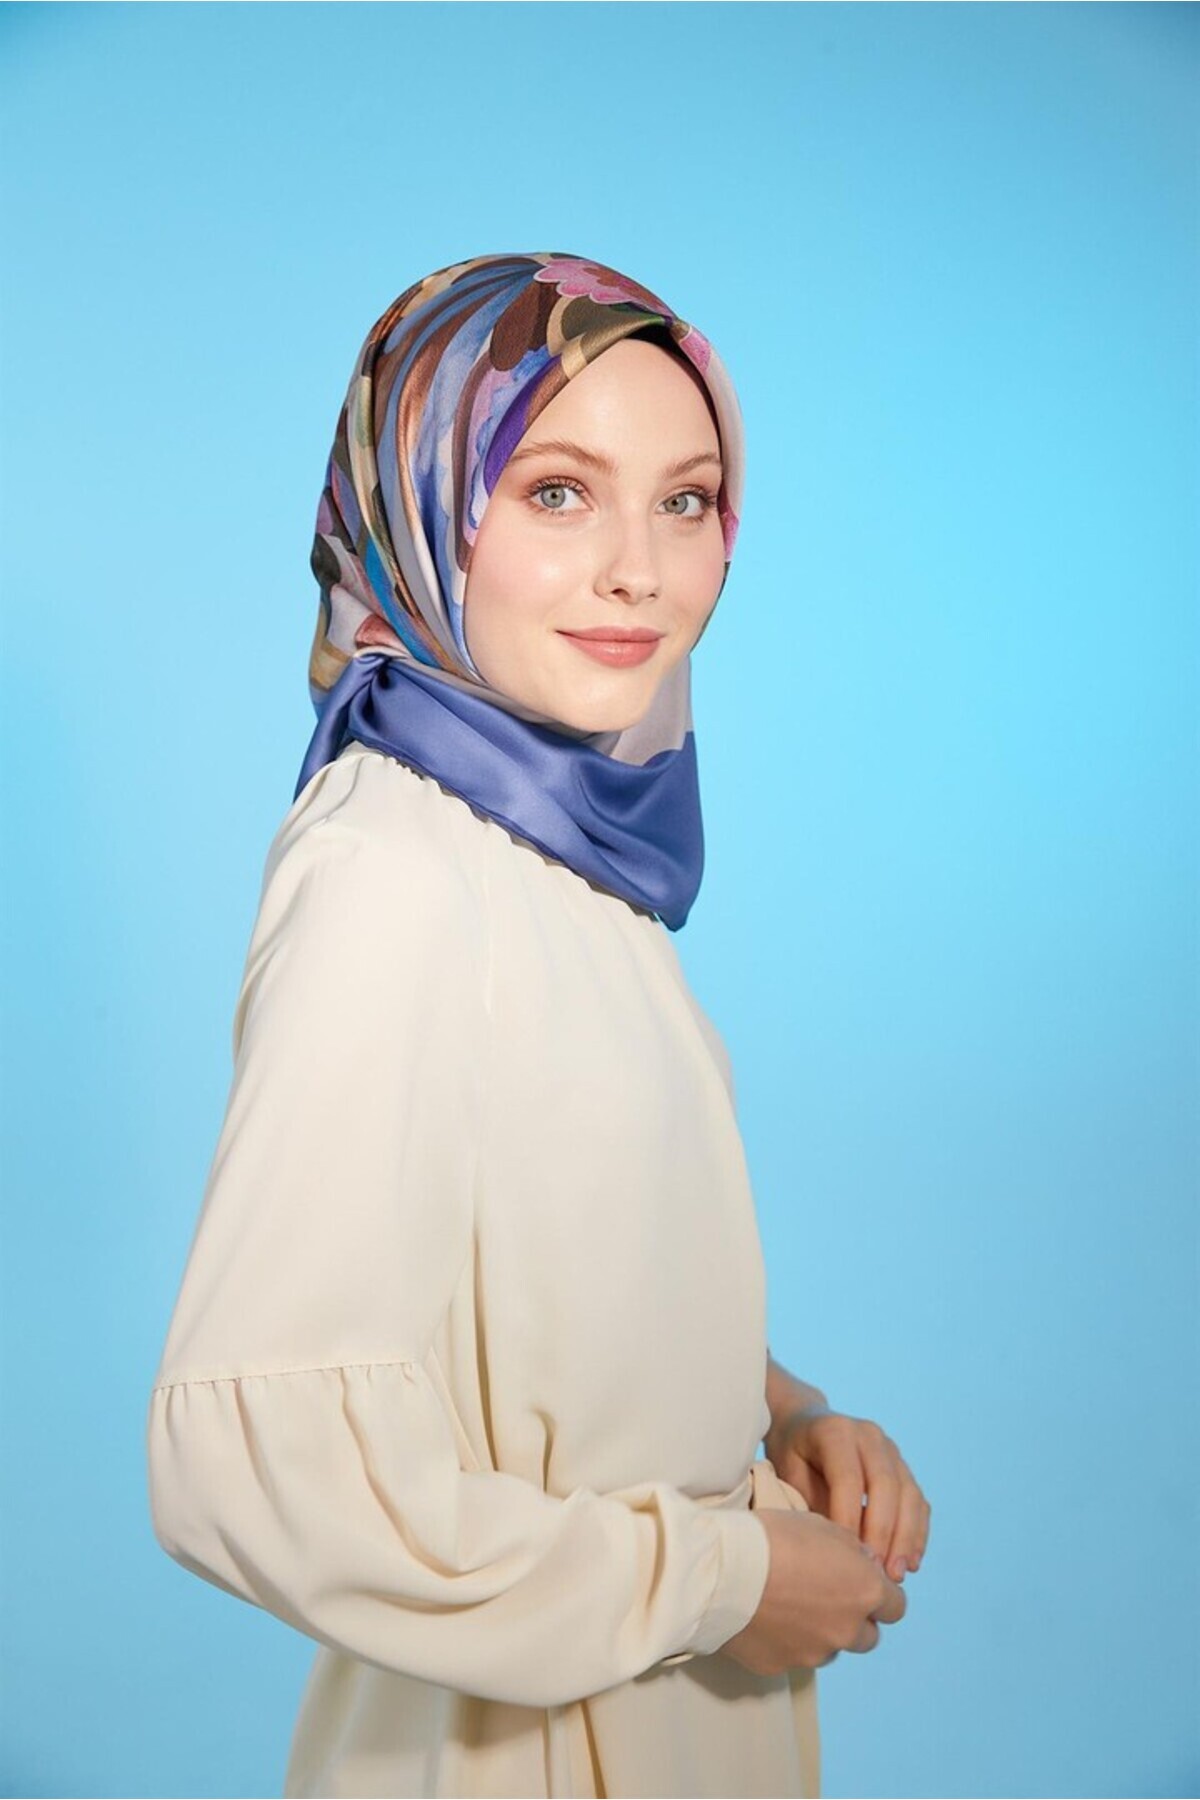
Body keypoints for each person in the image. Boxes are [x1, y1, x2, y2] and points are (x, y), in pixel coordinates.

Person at [146, 251, 930, 1800]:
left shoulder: (555, 848)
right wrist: (719, 1580)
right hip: (515, 1755)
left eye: (687, 501)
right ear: (421, 505)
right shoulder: (392, 871)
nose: (641, 571)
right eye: (557, 492)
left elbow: (545, 1282)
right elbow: (253, 1465)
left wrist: (785, 1420)